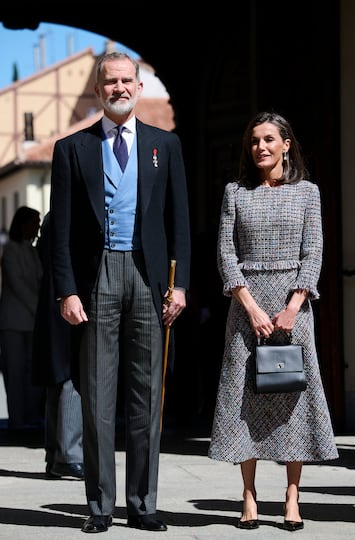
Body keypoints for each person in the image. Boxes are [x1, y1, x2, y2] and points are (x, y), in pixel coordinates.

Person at [49, 51, 191, 533]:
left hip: (149, 277)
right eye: (110, 82)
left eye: (126, 81)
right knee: (96, 397)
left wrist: (182, 285)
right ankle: (100, 506)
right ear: (98, 90)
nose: (119, 89)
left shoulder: (164, 146)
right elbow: (61, 233)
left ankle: (143, 503)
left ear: (139, 85)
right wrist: (66, 291)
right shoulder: (72, 149)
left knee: (146, 397)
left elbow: (180, 224)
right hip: (96, 280)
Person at [208, 111, 339, 532]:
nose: (260, 147)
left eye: (268, 139)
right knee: (243, 400)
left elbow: (313, 251)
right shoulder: (235, 193)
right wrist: (249, 305)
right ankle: (248, 495)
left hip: (293, 309)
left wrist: (293, 305)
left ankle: (292, 495)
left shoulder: (308, 193)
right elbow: (226, 254)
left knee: (292, 400)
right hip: (247, 309)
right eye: (253, 141)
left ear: (286, 144)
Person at [32, 212, 84, 479]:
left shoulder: (53, 218)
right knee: (70, 376)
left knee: (58, 380)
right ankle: (68, 454)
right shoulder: (69, 216)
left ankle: (55, 453)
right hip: (68, 303)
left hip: (54, 303)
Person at [0, 206, 45, 430]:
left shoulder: (31, 250)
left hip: (31, 320)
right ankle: (18, 419)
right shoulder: (10, 250)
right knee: (15, 371)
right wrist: (38, 308)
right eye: (34, 222)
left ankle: (28, 416)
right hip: (14, 322)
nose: (37, 226)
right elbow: (18, 285)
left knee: (30, 371)